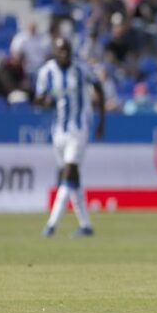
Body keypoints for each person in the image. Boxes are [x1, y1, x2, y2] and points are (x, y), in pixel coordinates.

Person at [34, 38, 105, 237]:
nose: (64, 53)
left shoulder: (82, 69)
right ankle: (86, 225)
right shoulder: (46, 72)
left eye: (67, 50)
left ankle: (51, 224)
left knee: (69, 171)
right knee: (72, 179)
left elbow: (99, 88)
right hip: (58, 131)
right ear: (54, 51)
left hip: (79, 128)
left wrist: (101, 121)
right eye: (60, 50)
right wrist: (43, 100)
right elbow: (38, 99)